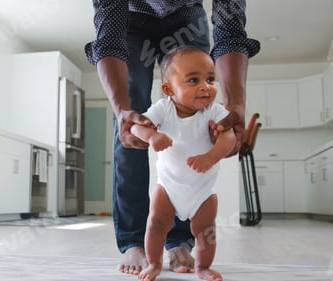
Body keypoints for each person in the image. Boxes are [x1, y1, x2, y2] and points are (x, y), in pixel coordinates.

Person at [84, 0, 260, 275]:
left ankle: (178, 240)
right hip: (130, 18)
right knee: (131, 123)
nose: (207, 86)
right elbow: (109, 38)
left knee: (198, 108)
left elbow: (230, 31)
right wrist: (122, 111)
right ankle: (134, 241)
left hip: (186, 16)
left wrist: (236, 104)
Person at [131, 46, 235, 281]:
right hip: (168, 187)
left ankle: (203, 267)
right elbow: (137, 127)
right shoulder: (163, 109)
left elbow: (229, 137)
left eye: (210, 79)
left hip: (202, 191)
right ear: (169, 89)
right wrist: (152, 136)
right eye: (193, 80)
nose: (205, 86)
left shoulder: (214, 110)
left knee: (205, 232)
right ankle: (155, 264)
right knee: (156, 224)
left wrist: (211, 156)